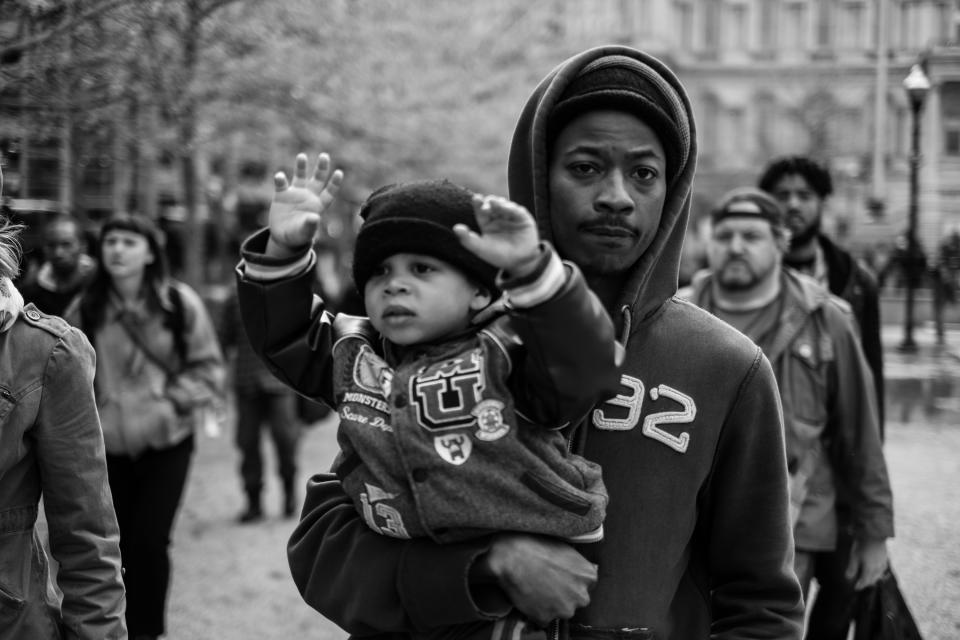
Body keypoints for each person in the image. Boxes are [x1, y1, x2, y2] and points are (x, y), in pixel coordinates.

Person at [237, 45, 804, 639]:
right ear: (537, 175)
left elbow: (761, 605)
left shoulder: (726, 368)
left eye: (644, 173)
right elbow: (325, 546)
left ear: (673, 191)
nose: (616, 195)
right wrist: (484, 568)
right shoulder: (442, 341)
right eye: (585, 168)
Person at [241, 172, 621, 637]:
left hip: (520, 593)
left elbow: (585, 368)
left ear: (480, 291)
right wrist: (283, 253)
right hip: (412, 579)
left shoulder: (507, 353)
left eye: (422, 269)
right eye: (381, 271)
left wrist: (534, 274)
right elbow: (288, 337)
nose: (395, 285)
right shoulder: (355, 353)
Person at [681, 187, 895, 638]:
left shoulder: (827, 319)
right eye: (724, 235)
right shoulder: (676, 313)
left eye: (751, 236)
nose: (735, 246)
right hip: (690, 521)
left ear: (781, 242)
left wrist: (874, 534)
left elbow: (860, 433)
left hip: (798, 520)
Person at [65, 212, 225, 640]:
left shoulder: (178, 304)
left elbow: (208, 370)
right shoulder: (86, 307)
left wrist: (168, 403)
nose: (117, 249)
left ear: (151, 253)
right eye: (111, 241)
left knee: (151, 544)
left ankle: (147, 633)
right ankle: (113, 629)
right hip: (104, 448)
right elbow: (64, 375)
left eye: (129, 242)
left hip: (167, 443)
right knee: (110, 548)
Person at [0, 165, 126, 638]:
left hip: (113, 425)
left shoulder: (48, 345)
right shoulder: (54, 290)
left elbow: (87, 538)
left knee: (149, 539)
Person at [757, 156, 885, 433]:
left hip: (830, 444)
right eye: (782, 195)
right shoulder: (744, 277)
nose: (793, 204)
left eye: (804, 195)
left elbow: (869, 379)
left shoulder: (858, 283)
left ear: (822, 202)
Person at [219, 284, 303, 523]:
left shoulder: (287, 294)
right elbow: (222, 339)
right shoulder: (233, 298)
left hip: (281, 382)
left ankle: (289, 494)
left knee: (286, 440)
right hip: (246, 383)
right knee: (247, 443)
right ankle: (253, 500)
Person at [19, 213, 96, 316]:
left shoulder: (99, 287)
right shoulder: (29, 295)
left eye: (66, 244)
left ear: (83, 247)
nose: (58, 253)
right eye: (51, 245)